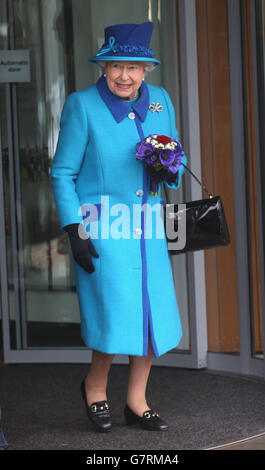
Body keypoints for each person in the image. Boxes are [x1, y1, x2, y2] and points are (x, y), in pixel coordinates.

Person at [51, 21, 187, 433]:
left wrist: (167, 171)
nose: (124, 75)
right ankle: (95, 387)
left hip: (147, 228)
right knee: (114, 312)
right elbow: (62, 173)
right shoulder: (82, 105)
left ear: (147, 70)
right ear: (104, 67)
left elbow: (175, 156)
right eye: (115, 66)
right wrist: (74, 228)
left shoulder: (161, 99)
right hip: (103, 230)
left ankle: (136, 399)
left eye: (133, 66)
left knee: (148, 313)